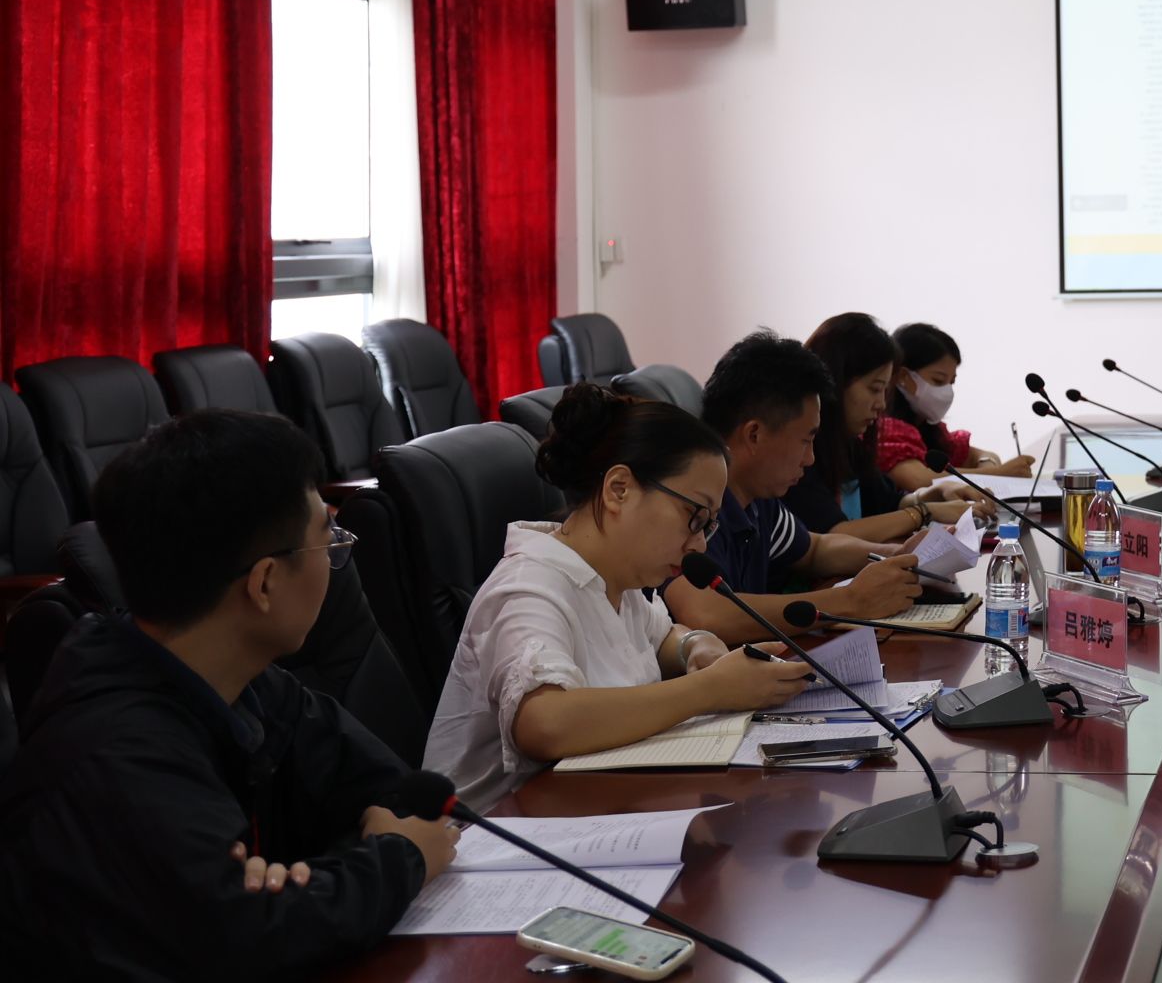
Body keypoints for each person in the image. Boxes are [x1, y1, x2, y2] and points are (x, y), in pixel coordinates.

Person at [0, 410, 458, 979]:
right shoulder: (114, 754)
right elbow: (249, 940)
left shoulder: (240, 678)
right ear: (264, 583)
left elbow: (390, 791)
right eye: (329, 541)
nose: (336, 559)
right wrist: (399, 858)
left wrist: (298, 886)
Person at [422, 386, 816, 810]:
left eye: (709, 525)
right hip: (502, 832)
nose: (700, 544)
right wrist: (710, 689)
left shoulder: (617, 581)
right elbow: (544, 724)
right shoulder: (528, 587)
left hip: (591, 807)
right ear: (619, 489)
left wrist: (695, 647)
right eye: (694, 516)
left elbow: (662, 638)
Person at [661, 328, 928, 643]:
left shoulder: (756, 499)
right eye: (805, 440)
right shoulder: (688, 502)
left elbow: (815, 549)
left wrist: (894, 554)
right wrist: (850, 600)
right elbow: (706, 614)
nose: (810, 458)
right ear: (754, 435)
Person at [788, 312, 983, 540]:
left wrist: (933, 493)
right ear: (836, 380)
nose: (881, 404)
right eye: (874, 389)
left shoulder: (848, 443)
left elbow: (889, 503)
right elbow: (833, 534)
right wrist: (924, 512)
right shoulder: (800, 451)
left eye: (885, 391)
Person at [879, 321, 1034, 494]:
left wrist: (988, 468)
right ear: (903, 376)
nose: (947, 391)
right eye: (938, 380)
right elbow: (919, 480)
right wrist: (998, 473)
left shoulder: (930, 429)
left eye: (951, 382)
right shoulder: (884, 429)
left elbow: (984, 455)